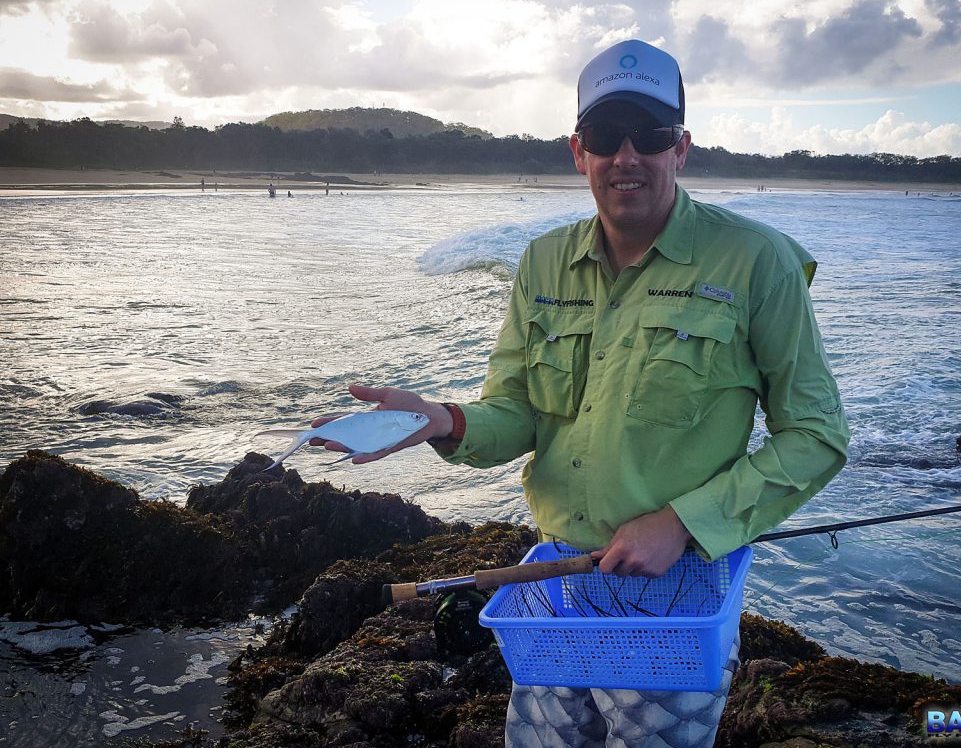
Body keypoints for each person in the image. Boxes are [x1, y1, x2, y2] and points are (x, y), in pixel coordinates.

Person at [313, 40, 849, 747]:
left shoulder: (758, 261)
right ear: (579, 151)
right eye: (605, 135)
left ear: (680, 148)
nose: (626, 156)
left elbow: (816, 435)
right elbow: (521, 413)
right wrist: (445, 420)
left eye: (650, 134)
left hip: (677, 591)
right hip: (555, 581)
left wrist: (682, 523)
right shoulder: (542, 262)